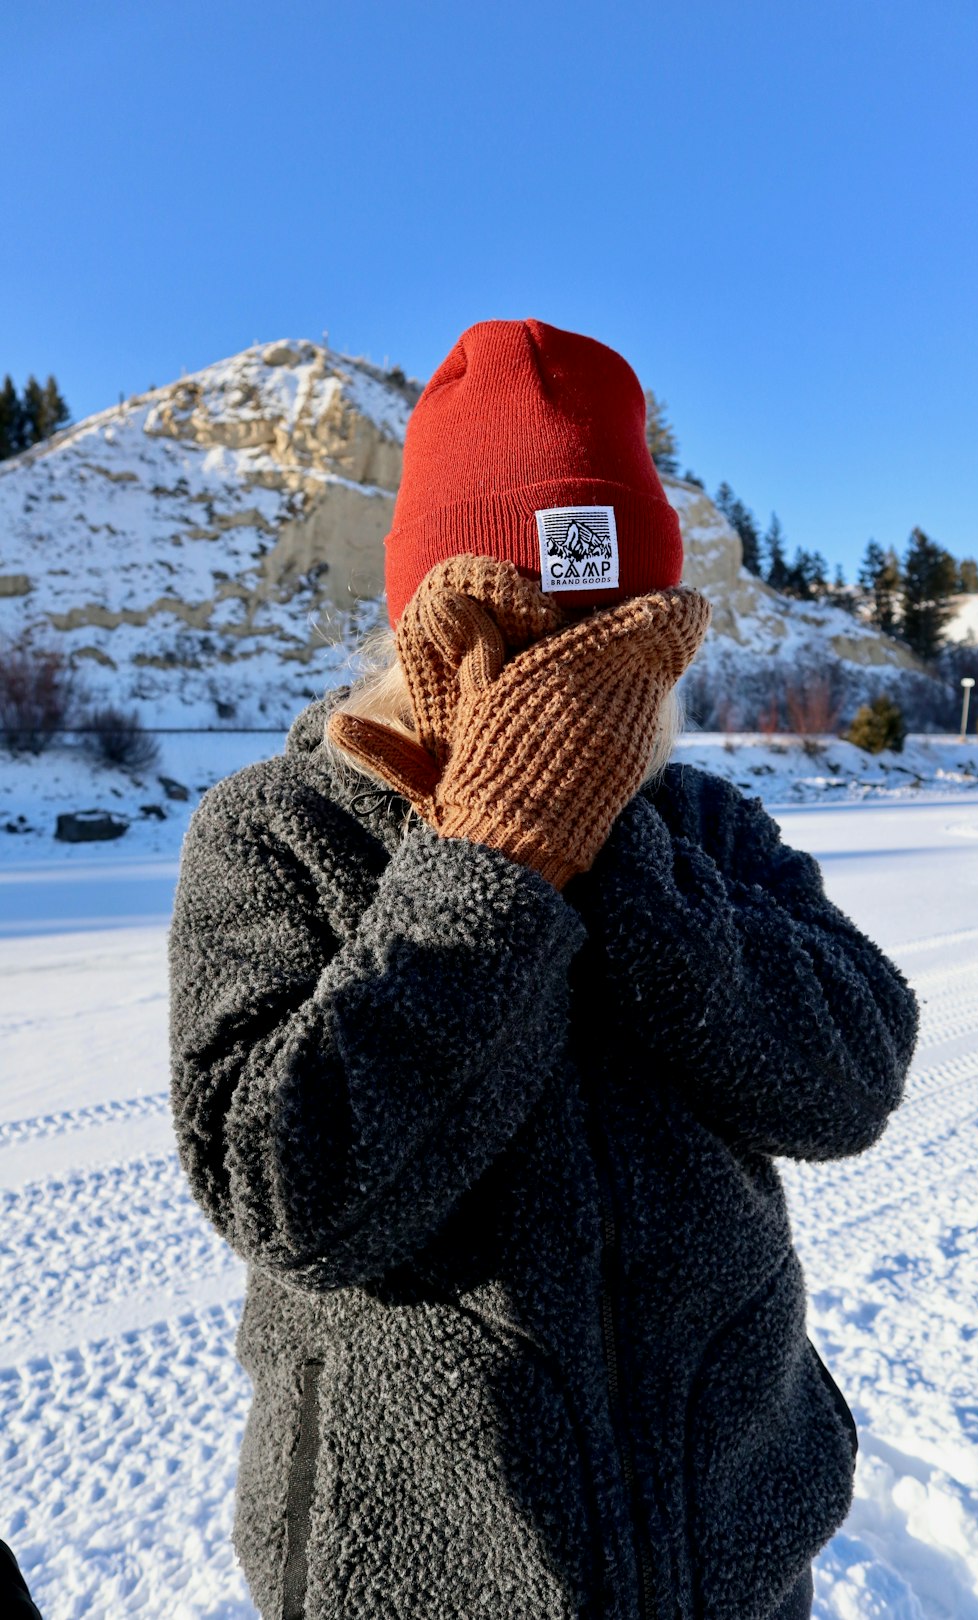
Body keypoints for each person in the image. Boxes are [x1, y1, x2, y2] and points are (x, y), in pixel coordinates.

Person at [169, 318, 919, 1620]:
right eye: (533, 635)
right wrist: (498, 860)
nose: (580, 679)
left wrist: (613, 851)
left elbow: (849, 1076)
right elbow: (292, 1196)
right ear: (424, 619)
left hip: (735, 1574)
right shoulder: (278, 830)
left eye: (619, 637)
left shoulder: (701, 830)